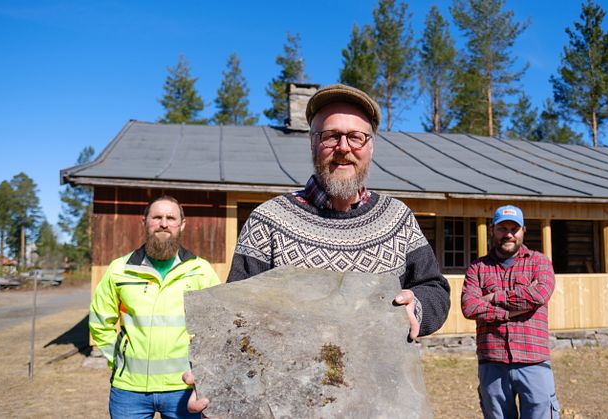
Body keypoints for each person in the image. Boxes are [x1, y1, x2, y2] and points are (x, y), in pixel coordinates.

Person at [185, 83, 451, 414]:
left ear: (371, 147)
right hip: (293, 404)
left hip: (379, 403)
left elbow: (435, 288)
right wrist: (217, 379)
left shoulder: (397, 219)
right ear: (313, 144)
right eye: (331, 136)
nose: (344, 148)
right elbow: (235, 323)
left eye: (357, 137)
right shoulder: (268, 221)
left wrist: (418, 309)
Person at [89, 195, 221, 419]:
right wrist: (118, 360)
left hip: (185, 389)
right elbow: (100, 321)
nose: (164, 223)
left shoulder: (201, 271)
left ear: (182, 224)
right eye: (157, 217)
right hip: (129, 391)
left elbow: (219, 326)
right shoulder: (119, 270)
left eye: (171, 218)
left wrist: (203, 370)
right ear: (144, 222)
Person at [461, 205, 560, 419]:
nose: (508, 234)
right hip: (492, 361)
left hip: (533, 359)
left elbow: (540, 295)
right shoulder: (477, 268)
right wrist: (510, 312)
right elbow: (470, 307)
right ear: (492, 230)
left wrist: (496, 297)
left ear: (523, 230)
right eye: (502, 228)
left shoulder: (539, 262)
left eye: (514, 229)